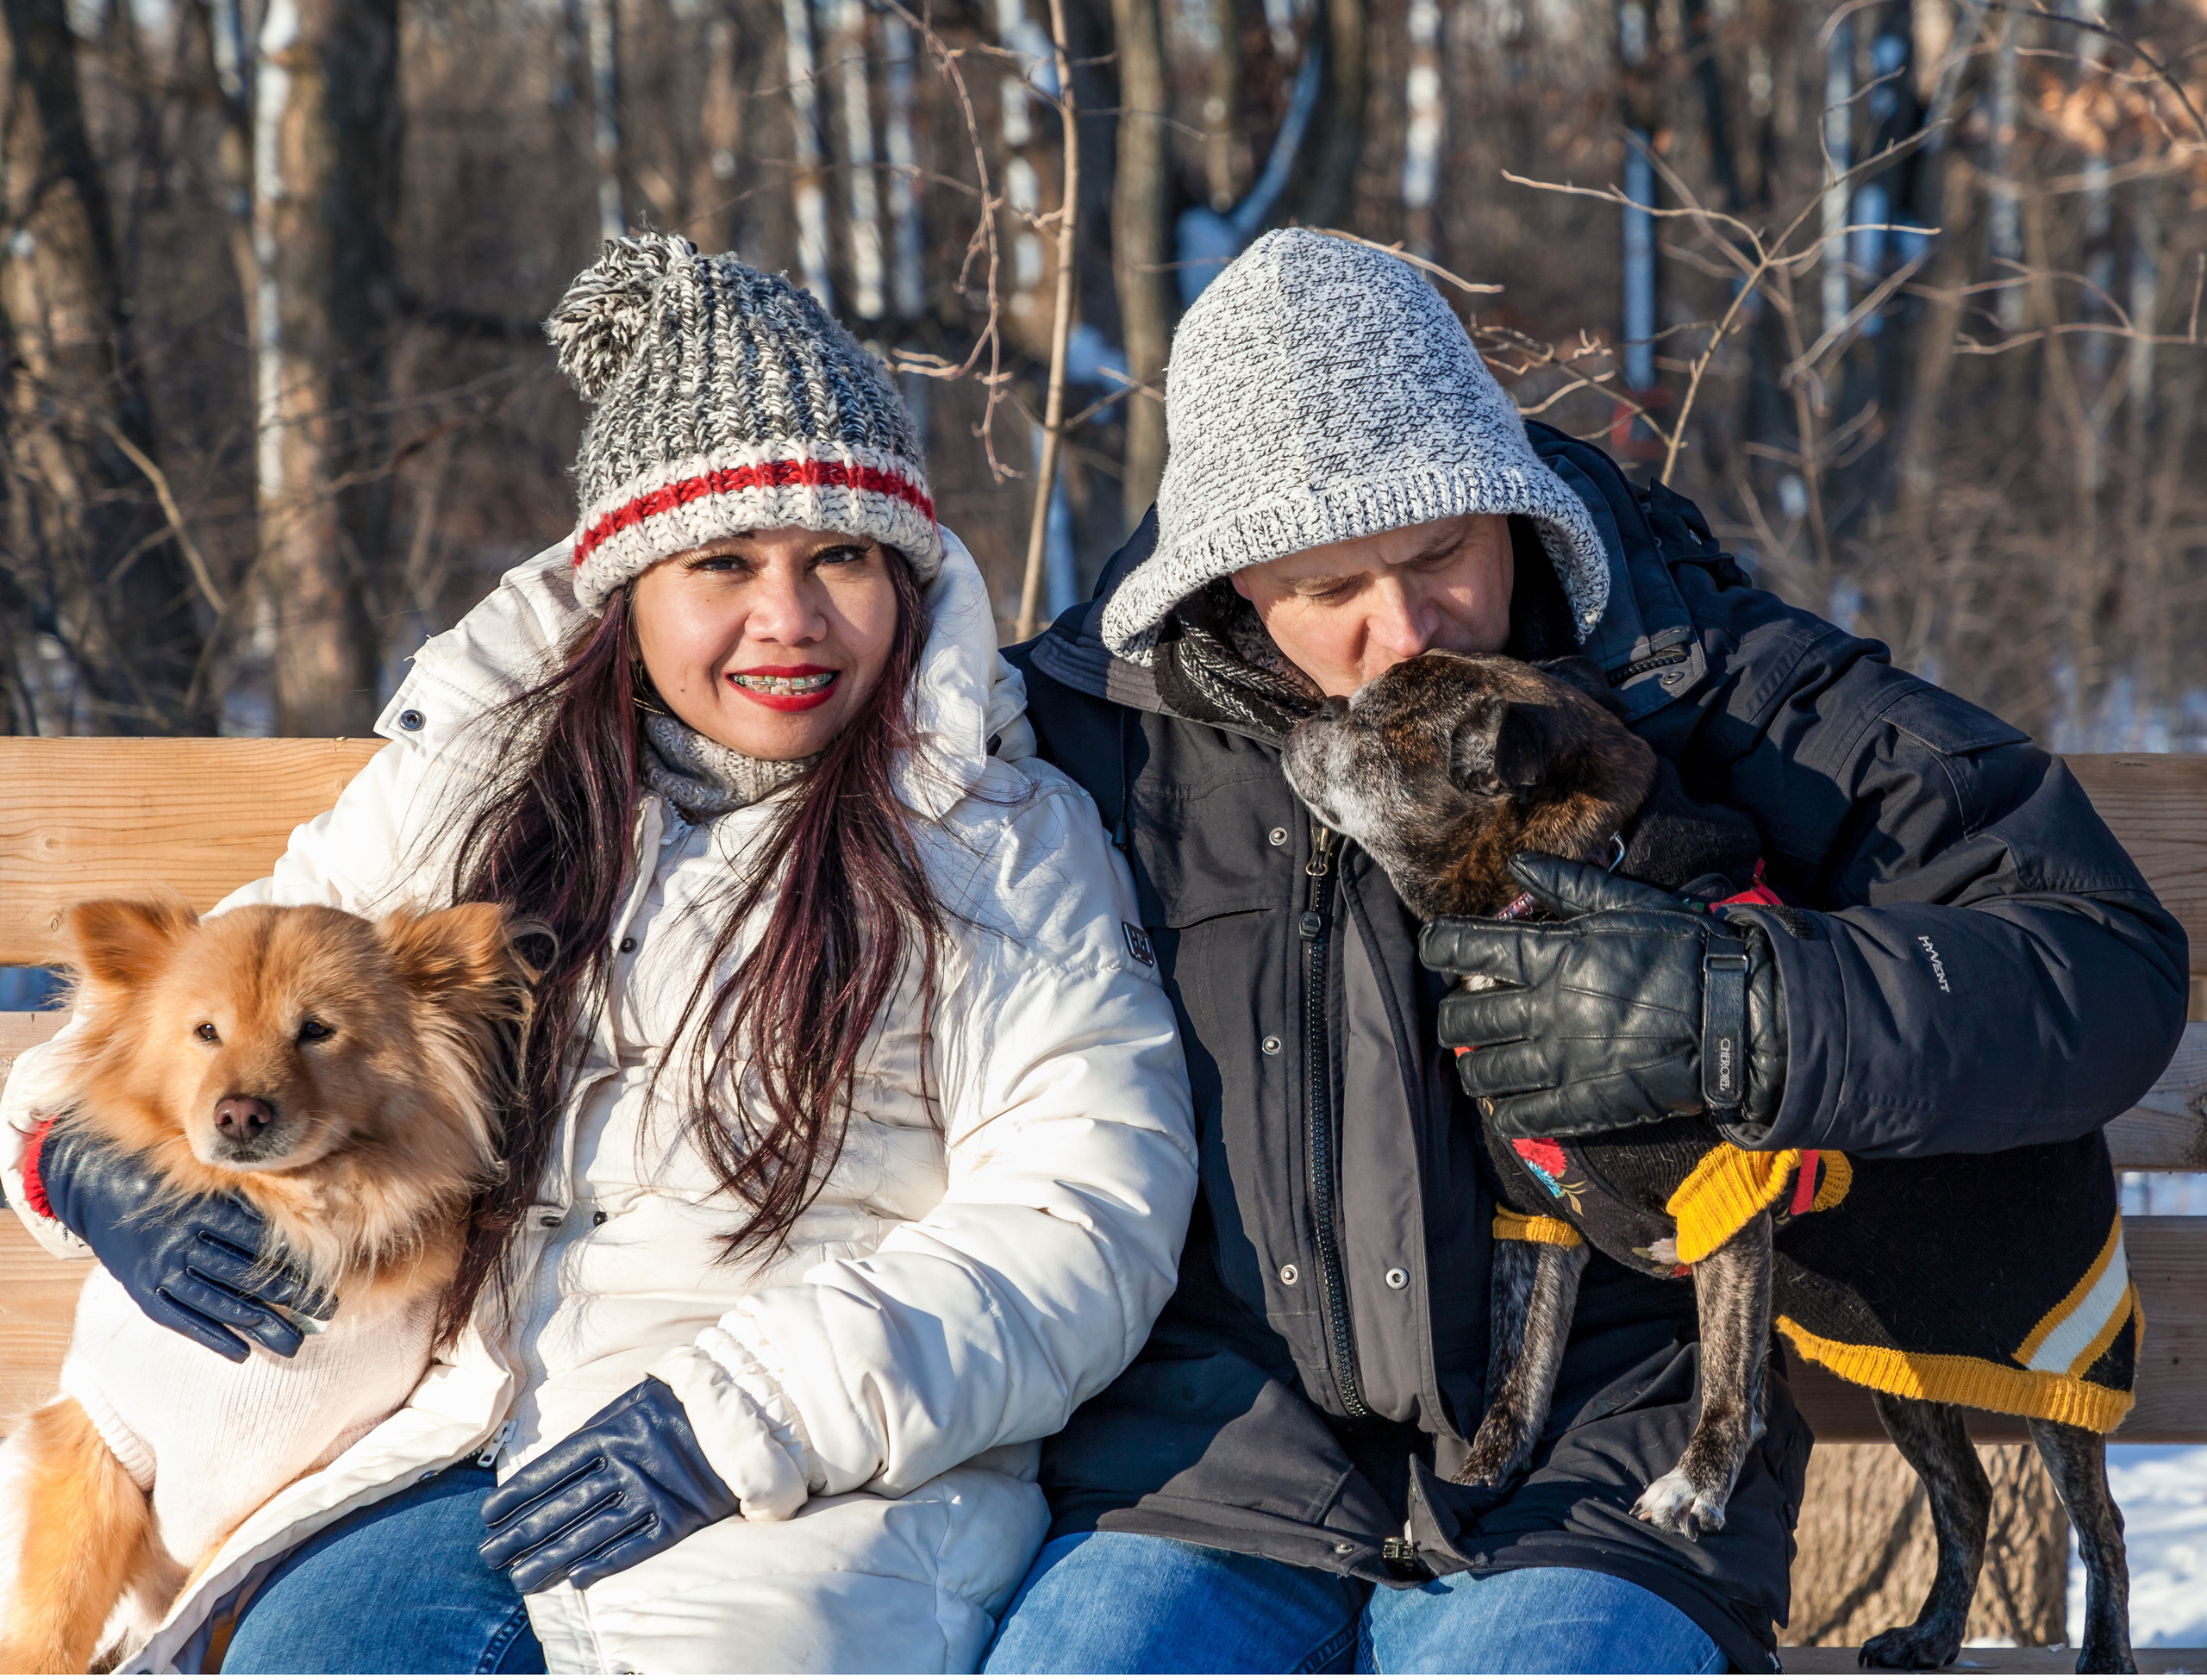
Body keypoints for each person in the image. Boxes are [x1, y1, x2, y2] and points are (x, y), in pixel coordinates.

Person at [985, 229, 2189, 1674]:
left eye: (1441, 551)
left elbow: (2098, 953)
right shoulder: (1085, 729)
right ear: (1235, 582)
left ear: (1510, 504)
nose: (1402, 633)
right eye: (1329, 590)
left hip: (1608, 1465)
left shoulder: (1703, 671)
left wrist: (1759, 1016)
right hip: (1204, 1462)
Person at [0, 234, 1197, 1675]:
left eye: (841, 558)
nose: (790, 620)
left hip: (798, 1479)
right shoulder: (482, 776)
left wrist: (746, 1408)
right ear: (628, 584)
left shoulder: (999, 842)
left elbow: (1086, 1213)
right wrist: (80, 1155)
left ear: (908, 574)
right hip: (434, 1446)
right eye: (722, 562)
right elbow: (206, 998)